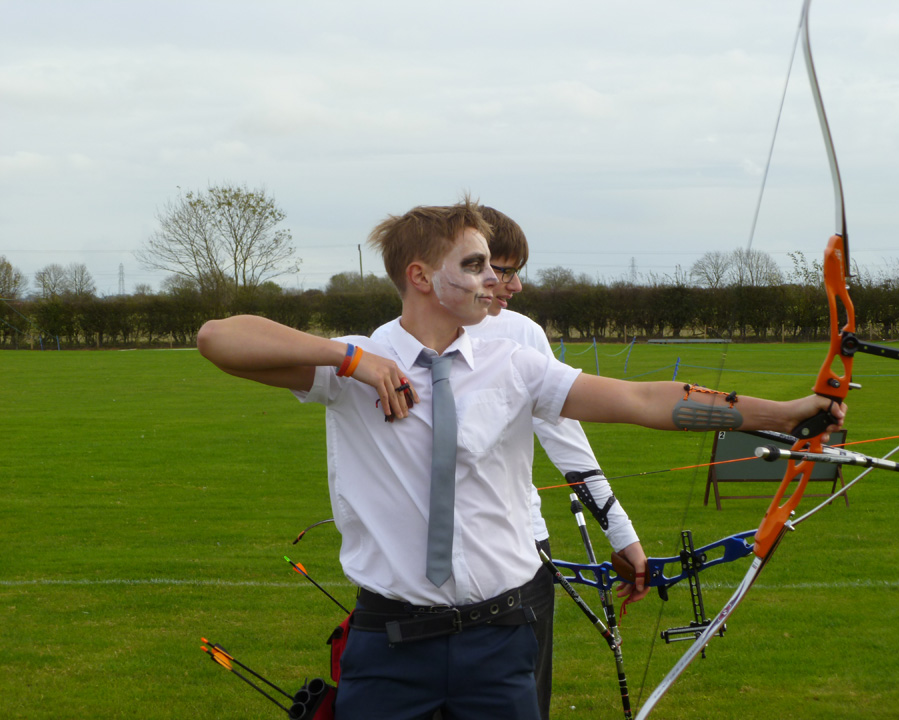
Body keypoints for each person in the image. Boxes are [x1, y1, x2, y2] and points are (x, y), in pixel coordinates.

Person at [196, 197, 844, 720]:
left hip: (499, 639)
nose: (494, 280)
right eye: (475, 265)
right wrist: (350, 359)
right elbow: (218, 338)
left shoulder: (514, 363)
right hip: (390, 645)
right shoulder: (351, 367)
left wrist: (781, 414)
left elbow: (642, 399)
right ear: (421, 277)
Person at [371, 205, 644, 720]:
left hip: (518, 564)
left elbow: (569, 442)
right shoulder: (382, 346)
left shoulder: (521, 335)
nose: (511, 285)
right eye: (499, 268)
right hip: (409, 581)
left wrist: (621, 533)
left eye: (513, 271)